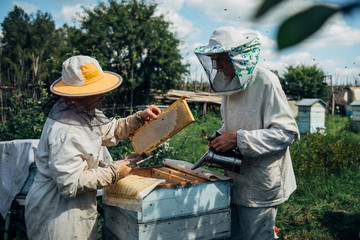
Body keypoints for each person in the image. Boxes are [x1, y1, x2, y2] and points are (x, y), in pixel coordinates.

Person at [25, 55, 161, 240]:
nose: (103, 96)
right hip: (58, 216)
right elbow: (70, 183)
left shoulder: (84, 111)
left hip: (76, 210)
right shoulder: (65, 131)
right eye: (95, 91)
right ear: (74, 96)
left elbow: (111, 130)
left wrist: (139, 118)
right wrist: (114, 172)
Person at [194, 26, 300, 240]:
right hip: (234, 177)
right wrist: (221, 135)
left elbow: (287, 133)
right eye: (214, 60)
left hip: (261, 182)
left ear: (237, 55)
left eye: (221, 59)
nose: (218, 65)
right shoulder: (228, 84)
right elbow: (231, 122)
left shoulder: (266, 82)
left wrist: (237, 139)